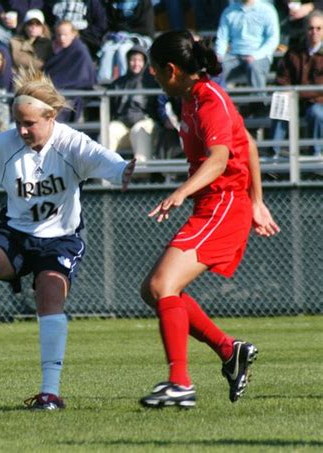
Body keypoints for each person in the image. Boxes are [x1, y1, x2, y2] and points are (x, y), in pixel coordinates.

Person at [0, 67, 136, 410]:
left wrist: (122, 170)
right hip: (14, 234)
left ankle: (50, 392)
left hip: (60, 239)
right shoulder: (6, 145)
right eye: (17, 121)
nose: (21, 129)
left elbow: (101, 158)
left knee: (49, 292)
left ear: (50, 117)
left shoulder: (70, 142)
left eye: (29, 123)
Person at [138, 30, 280, 409]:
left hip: (223, 204)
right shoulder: (192, 97)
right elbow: (246, 141)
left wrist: (184, 191)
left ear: (172, 69)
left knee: (161, 284)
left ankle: (180, 383)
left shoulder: (208, 101)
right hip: (217, 204)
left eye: (154, 69)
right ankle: (228, 350)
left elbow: (220, 159)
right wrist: (258, 202)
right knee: (153, 290)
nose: (151, 75)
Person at [272, 9, 323, 158]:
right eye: (311, 28)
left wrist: (295, 92)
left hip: (317, 102)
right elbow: (282, 78)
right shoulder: (294, 52)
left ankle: (316, 154)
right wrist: (288, 92)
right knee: (280, 104)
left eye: (319, 28)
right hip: (295, 101)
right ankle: (273, 155)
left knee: (316, 113)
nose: (314, 32)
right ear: (305, 29)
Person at [107, 44, 160, 162]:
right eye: (133, 60)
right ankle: (104, 176)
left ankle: (142, 174)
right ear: (127, 61)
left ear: (145, 62)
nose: (136, 63)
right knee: (109, 129)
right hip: (122, 124)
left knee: (139, 130)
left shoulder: (152, 82)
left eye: (140, 60)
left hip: (145, 123)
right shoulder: (118, 83)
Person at [215, 0, 280, 91]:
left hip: (260, 56)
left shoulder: (268, 10)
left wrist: (255, 56)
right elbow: (222, 38)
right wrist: (219, 55)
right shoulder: (228, 11)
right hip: (234, 55)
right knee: (216, 69)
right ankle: (217, 101)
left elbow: (273, 39)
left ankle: (259, 102)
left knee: (254, 67)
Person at [43, 20, 96, 123]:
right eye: (59, 35)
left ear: (73, 34)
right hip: (54, 91)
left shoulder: (80, 51)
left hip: (74, 92)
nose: (62, 38)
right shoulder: (54, 49)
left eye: (65, 35)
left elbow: (84, 77)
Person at [97, 0, 155, 84]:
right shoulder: (113, 3)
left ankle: (125, 84)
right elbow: (110, 25)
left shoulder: (144, 3)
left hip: (141, 37)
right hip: (119, 38)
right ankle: (103, 85)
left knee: (123, 50)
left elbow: (146, 28)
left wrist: (127, 34)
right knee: (107, 50)